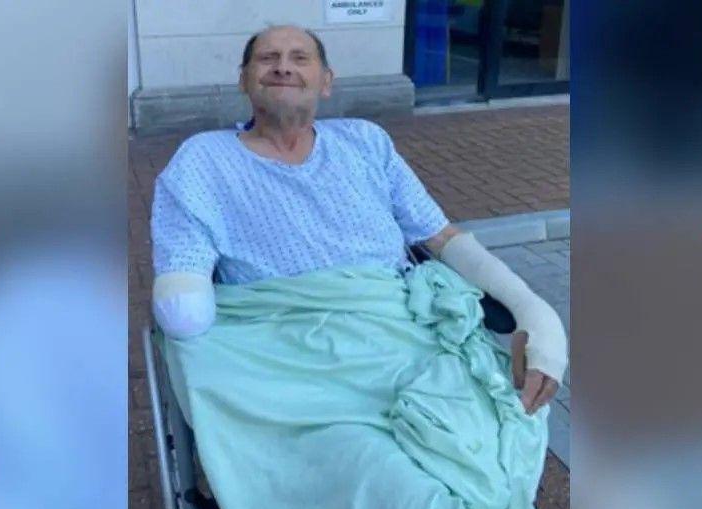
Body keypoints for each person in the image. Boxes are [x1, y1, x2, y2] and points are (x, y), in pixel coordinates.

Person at [150, 24, 566, 415]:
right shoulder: (203, 158)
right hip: (284, 344)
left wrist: (533, 310)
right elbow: (184, 281)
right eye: (268, 58)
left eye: (300, 58)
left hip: (400, 330)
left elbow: (439, 235)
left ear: (326, 82)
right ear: (243, 80)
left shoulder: (365, 141)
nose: (283, 66)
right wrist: (182, 297)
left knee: (482, 420)